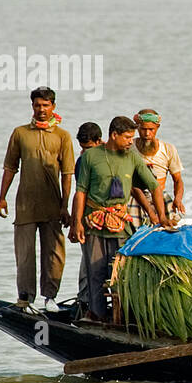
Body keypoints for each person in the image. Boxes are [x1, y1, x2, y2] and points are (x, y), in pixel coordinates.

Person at [73, 116, 173, 321]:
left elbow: (153, 186)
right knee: (95, 272)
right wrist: (76, 223)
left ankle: (123, 317)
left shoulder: (132, 158)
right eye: (127, 137)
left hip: (120, 223)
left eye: (132, 137)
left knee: (122, 273)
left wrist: (160, 217)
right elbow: (81, 192)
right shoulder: (90, 157)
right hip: (94, 223)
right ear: (114, 135)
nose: (130, 141)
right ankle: (97, 315)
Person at [0, 87, 74, 312]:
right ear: (32, 106)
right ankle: (25, 299)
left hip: (53, 205)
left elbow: (68, 173)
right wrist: (2, 197)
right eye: (38, 105)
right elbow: (10, 167)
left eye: (46, 105)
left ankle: (50, 297)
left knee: (54, 253)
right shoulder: (20, 133)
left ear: (53, 107)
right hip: (25, 205)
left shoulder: (62, 136)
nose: (41, 109)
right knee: (25, 254)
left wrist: (65, 206)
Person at [128, 108, 185, 230]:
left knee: (169, 230)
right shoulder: (129, 147)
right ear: (137, 128)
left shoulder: (168, 149)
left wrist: (178, 199)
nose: (147, 134)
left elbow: (178, 180)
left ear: (157, 128)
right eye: (143, 129)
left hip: (160, 199)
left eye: (151, 129)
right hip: (135, 198)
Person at [68, 122, 103, 313]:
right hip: (89, 220)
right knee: (89, 263)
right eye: (83, 149)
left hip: (111, 222)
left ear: (100, 141)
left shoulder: (109, 158)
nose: (86, 152)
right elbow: (79, 194)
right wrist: (76, 223)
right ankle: (85, 302)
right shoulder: (83, 161)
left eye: (89, 148)